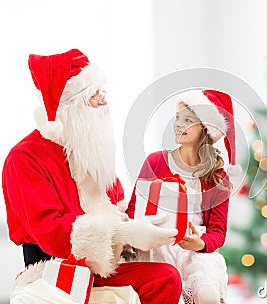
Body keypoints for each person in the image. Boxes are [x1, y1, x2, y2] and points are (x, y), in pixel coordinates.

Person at [2, 48, 182, 304]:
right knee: (164, 278)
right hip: (54, 271)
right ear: (68, 108)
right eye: (93, 96)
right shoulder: (24, 158)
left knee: (171, 272)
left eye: (102, 93)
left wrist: (160, 224)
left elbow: (118, 204)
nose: (104, 102)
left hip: (101, 265)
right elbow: (51, 232)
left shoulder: (88, 149)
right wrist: (124, 233)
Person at [126, 89, 240, 304]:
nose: (178, 124)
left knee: (207, 295)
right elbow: (134, 209)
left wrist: (200, 244)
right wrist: (138, 233)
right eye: (177, 117)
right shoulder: (156, 161)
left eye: (187, 120)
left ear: (205, 129)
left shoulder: (217, 177)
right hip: (155, 247)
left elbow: (218, 231)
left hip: (193, 252)